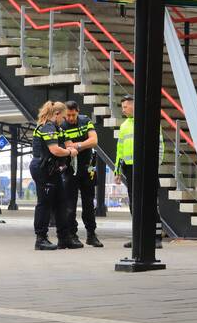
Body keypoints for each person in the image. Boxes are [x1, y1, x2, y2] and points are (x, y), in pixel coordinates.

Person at [114, 95, 165, 249]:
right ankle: (138, 237)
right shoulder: (124, 126)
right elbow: (120, 149)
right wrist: (117, 170)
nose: (123, 110)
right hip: (130, 169)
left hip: (147, 168)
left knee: (149, 204)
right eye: (122, 107)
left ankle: (156, 238)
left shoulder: (150, 121)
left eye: (125, 107)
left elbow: (159, 145)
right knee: (134, 205)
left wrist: (154, 164)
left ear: (134, 106)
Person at [30, 101, 75, 251]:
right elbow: (55, 150)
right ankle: (40, 239)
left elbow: (69, 143)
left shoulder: (57, 128)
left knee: (61, 202)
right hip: (43, 168)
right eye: (63, 116)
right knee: (45, 203)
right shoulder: (47, 127)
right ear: (56, 114)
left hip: (52, 169)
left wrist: (72, 148)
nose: (65, 119)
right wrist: (69, 152)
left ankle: (64, 238)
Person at [60, 101, 103, 248]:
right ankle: (72, 235)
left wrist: (78, 145)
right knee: (70, 205)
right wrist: (85, 142)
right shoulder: (62, 125)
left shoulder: (86, 121)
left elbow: (94, 141)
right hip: (70, 170)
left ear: (78, 111)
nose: (70, 118)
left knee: (89, 203)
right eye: (68, 115)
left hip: (88, 168)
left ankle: (91, 234)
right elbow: (68, 146)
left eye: (73, 115)